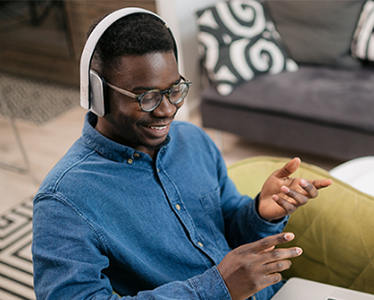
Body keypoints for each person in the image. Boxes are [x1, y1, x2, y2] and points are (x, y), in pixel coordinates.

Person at [32, 8, 332, 300]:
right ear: (97, 94)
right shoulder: (63, 201)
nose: (167, 110)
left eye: (175, 90)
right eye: (147, 97)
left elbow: (228, 224)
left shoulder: (193, 139)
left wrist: (260, 213)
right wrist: (217, 288)